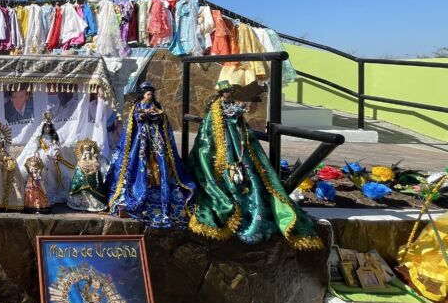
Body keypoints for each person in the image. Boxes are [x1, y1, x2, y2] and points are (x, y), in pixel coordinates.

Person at [187, 81, 322, 250]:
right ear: (221, 93)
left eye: (229, 91)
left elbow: (239, 119)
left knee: (251, 171)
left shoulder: (232, 105)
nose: (228, 94)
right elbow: (210, 131)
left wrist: (237, 116)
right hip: (223, 146)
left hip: (238, 142)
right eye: (225, 92)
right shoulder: (215, 109)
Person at [106, 82, 197, 228]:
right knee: (140, 163)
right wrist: (145, 115)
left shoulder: (157, 105)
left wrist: (156, 115)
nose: (150, 95)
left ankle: (162, 195)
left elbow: (162, 119)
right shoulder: (137, 106)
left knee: (161, 163)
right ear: (142, 94)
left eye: (151, 93)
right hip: (141, 141)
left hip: (156, 139)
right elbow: (136, 118)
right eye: (148, 93)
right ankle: (140, 189)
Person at [67, 139, 108, 212]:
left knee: (95, 186)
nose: (87, 156)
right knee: (80, 182)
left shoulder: (94, 161)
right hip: (82, 180)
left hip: (92, 179)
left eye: (89, 154)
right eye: (85, 154)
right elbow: (78, 172)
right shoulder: (81, 162)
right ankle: (80, 202)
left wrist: (94, 167)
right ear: (83, 155)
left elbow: (97, 168)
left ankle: (95, 203)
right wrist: (82, 173)